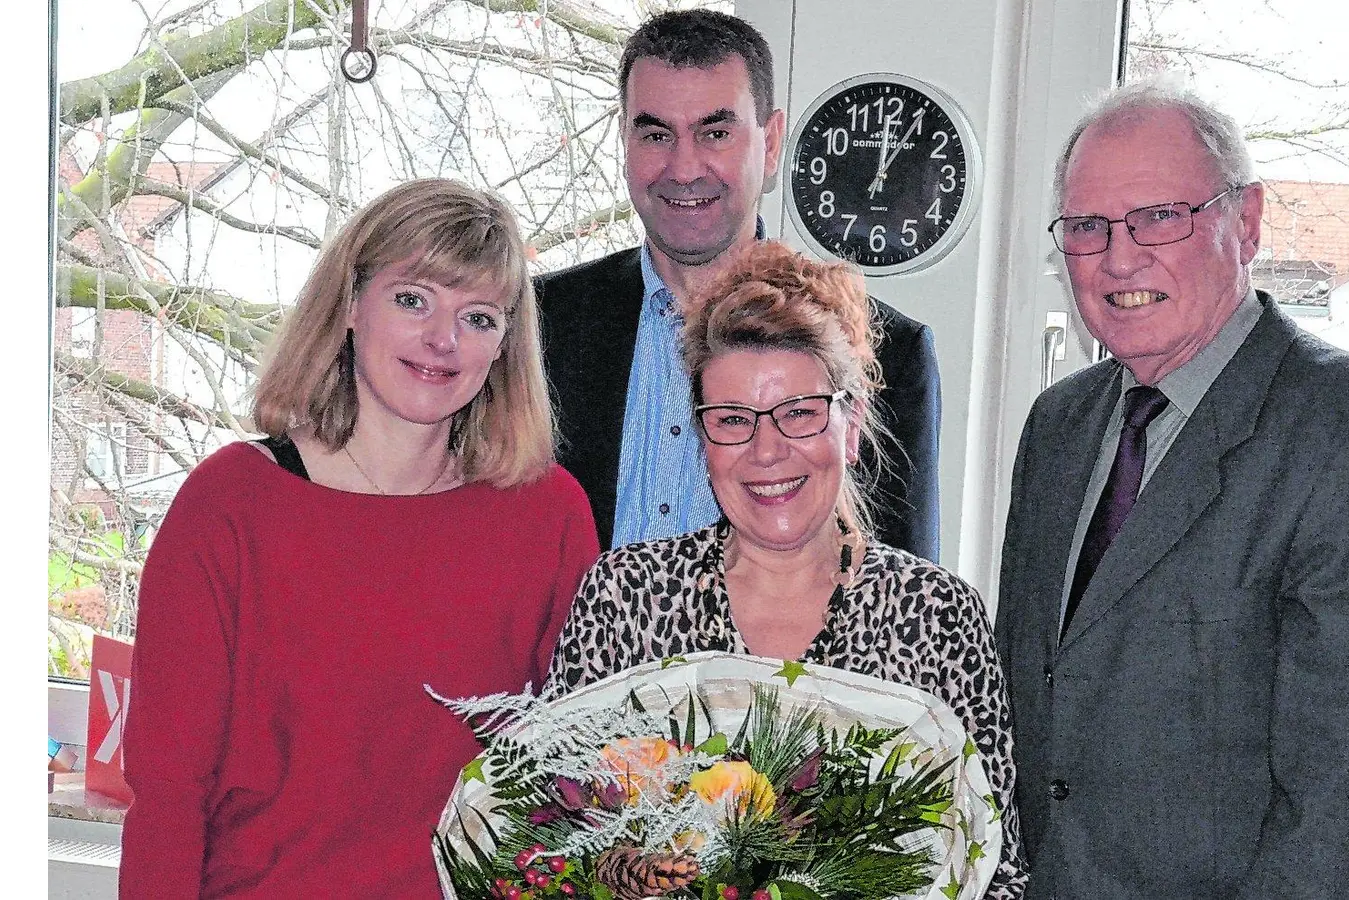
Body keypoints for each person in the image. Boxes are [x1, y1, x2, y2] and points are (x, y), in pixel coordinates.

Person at [995, 80, 1349, 899]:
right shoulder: (1058, 428)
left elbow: (1344, 809)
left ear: (1245, 223)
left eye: (1160, 218)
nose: (1119, 257)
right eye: (1088, 228)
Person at [118, 178, 600, 897]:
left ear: (504, 346)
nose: (444, 341)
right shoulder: (230, 506)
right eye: (413, 300)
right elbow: (166, 793)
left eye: (478, 317)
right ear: (349, 305)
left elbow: (581, 783)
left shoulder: (548, 516)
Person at [546, 241, 1025, 900]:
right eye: (733, 420)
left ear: (850, 422)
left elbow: (996, 871)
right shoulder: (625, 598)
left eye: (799, 414)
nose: (767, 451)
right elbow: (554, 839)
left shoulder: (939, 617)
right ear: (703, 437)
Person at [535, 9, 943, 561]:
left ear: (771, 143)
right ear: (624, 142)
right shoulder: (536, 324)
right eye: (656, 134)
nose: (683, 169)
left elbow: (902, 599)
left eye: (715, 133)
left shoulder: (886, 350)